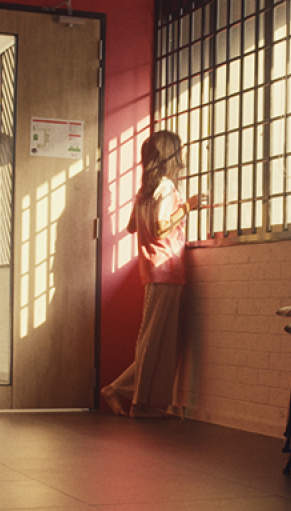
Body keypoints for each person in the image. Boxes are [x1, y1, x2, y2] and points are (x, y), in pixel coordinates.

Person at [101, 131, 202, 418]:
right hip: (165, 268)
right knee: (155, 338)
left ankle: (131, 394)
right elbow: (160, 228)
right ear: (171, 156)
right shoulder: (168, 189)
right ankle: (139, 403)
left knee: (158, 337)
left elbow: (134, 226)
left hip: (151, 270)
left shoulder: (145, 191)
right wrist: (188, 207)